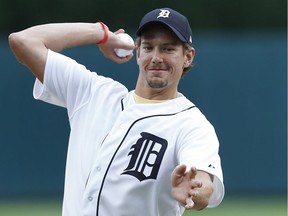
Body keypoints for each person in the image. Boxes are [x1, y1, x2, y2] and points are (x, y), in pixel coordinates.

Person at [9, 7, 224, 216]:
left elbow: (204, 184)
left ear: (188, 56)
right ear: (137, 52)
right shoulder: (93, 93)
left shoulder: (192, 124)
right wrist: (100, 34)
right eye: (148, 47)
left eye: (168, 49)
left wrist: (194, 191)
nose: (156, 57)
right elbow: (23, 41)